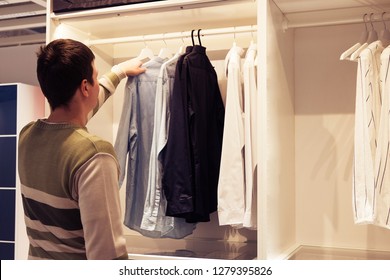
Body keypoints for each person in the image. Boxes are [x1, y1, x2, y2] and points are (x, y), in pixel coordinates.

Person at [17, 38, 146, 260]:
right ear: (85, 87)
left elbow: (73, 120)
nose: (98, 83)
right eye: (95, 77)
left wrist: (119, 71)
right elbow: (106, 255)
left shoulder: (27, 136)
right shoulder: (94, 155)